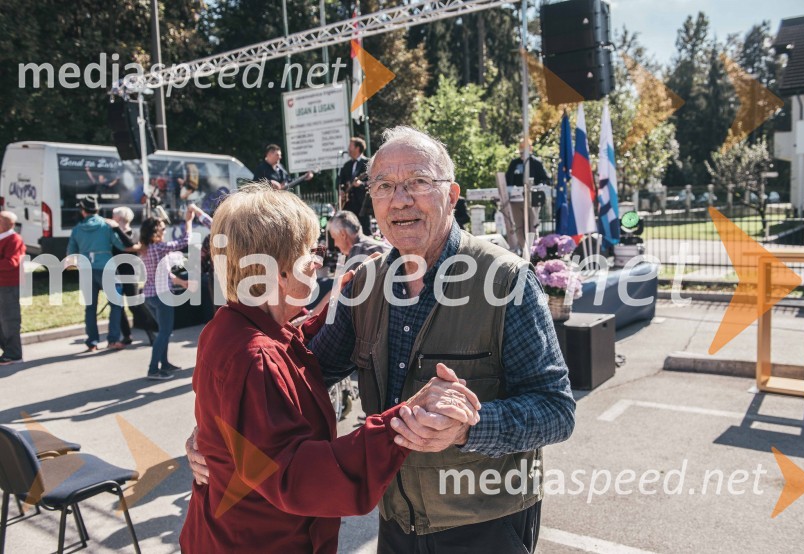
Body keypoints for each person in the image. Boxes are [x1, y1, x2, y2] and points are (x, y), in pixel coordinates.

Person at [189, 126, 576, 553]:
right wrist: (219, 433)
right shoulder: (365, 284)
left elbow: (556, 410)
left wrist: (470, 428)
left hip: (484, 525)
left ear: (452, 195)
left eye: (418, 183)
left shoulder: (507, 279)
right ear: (372, 201)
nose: (401, 198)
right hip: (396, 525)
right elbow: (299, 374)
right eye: (385, 186)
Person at [178, 184, 482, 553]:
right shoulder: (253, 357)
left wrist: (337, 303)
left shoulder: (230, 325)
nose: (319, 262)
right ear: (279, 275)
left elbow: (287, 346)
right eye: (310, 252)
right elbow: (297, 476)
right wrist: (404, 419)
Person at [138, 205, 195, 380]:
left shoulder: (146, 249)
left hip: (149, 295)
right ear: (155, 232)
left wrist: (181, 282)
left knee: (164, 331)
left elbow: (163, 271)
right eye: (162, 229)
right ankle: (153, 369)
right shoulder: (159, 247)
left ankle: (165, 363)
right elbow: (185, 240)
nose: (164, 231)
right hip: (161, 296)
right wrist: (189, 221)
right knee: (165, 332)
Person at [67, 195, 127, 352]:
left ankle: (92, 341)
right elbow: (120, 245)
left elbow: (71, 254)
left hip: (87, 270)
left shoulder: (77, 229)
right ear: (97, 209)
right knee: (116, 304)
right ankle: (113, 339)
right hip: (107, 267)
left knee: (90, 307)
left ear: (83, 210)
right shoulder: (105, 226)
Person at [108, 207, 140, 345]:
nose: (111, 219)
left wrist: (116, 228)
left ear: (119, 219)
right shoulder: (112, 235)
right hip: (116, 274)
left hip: (130, 275)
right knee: (118, 307)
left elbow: (129, 243)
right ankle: (127, 335)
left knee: (135, 306)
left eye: (113, 216)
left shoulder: (134, 233)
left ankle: (151, 331)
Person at [0, 211, 25, 365]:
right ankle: (7, 351)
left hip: (8, 285)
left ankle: (14, 354)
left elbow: (11, 262)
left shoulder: (14, 239)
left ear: (7, 223)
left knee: (9, 319)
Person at [338, 137, 371, 235]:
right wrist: (341, 190)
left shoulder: (368, 163)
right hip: (349, 204)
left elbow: (373, 181)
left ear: (357, 148)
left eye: (350, 146)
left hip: (362, 203)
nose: (348, 149)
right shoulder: (347, 165)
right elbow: (339, 180)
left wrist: (361, 184)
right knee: (350, 230)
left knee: (365, 230)